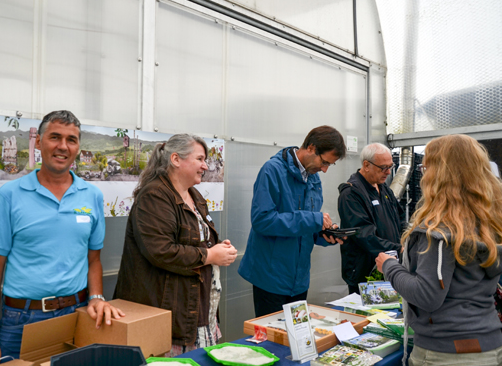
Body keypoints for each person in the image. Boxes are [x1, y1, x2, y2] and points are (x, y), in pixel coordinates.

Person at [0, 111, 124, 366]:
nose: (63, 146)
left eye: (72, 140)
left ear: (78, 147)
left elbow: (94, 260)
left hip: (76, 315)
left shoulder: (92, 196)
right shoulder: (11, 195)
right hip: (20, 321)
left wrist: (97, 298)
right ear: (40, 141)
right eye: (55, 137)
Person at [376, 134, 502, 366]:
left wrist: (389, 266)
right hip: (490, 344)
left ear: (439, 174)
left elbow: (427, 296)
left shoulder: (439, 230)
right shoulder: (488, 222)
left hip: (444, 352)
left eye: (426, 168)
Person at [113, 134, 237, 356]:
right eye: (200, 159)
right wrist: (209, 255)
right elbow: (161, 251)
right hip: (171, 314)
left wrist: (219, 247)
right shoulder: (154, 195)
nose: (205, 166)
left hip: (197, 311)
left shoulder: (194, 195)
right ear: (176, 159)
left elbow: (196, 238)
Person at [238, 125, 347, 317]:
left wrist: (323, 234)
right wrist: (313, 219)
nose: (325, 169)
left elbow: (304, 228)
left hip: (299, 280)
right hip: (271, 278)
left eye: (329, 165)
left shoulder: (313, 179)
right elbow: (262, 221)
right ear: (311, 148)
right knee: (273, 341)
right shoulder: (272, 171)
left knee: (297, 341)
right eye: (324, 162)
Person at [338, 143, 404, 294]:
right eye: (383, 167)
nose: (388, 172)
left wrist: (409, 240)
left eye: (390, 166)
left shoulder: (384, 189)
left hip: (389, 267)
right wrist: (399, 249)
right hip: (365, 273)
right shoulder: (351, 194)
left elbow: (399, 219)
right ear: (366, 165)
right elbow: (364, 235)